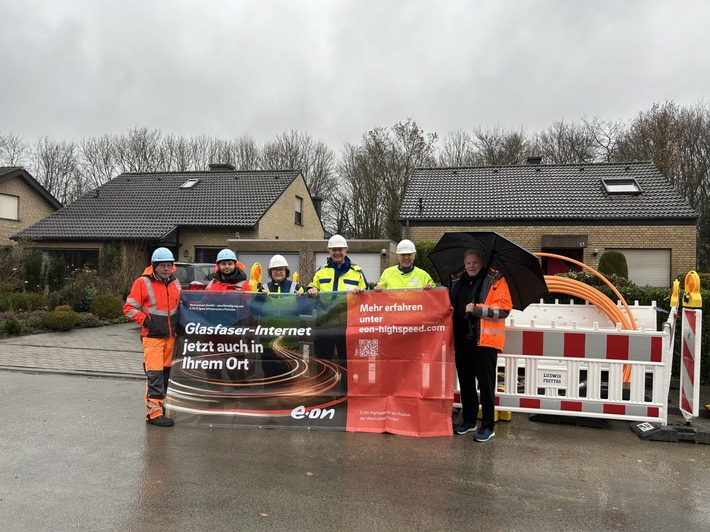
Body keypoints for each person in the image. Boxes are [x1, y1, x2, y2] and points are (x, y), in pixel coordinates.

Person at [449, 249, 512, 442]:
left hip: (484, 342)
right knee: (466, 383)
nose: (471, 266)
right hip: (462, 340)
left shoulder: (495, 279)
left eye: (475, 262)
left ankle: (487, 426)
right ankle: (468, 421)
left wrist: (477, 309)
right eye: (468, 262)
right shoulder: (457, 280)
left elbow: (503, 309)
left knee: (485, 385)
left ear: (481, 262)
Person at [124, 247, 182, 427]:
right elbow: (129, 308)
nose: (166, 269)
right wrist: (147, 321)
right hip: (153, 338)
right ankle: (154, 413)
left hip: (171, 337)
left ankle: (160, 407)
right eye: (163, 265)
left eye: (169, 265)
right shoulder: (142, 283)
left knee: (165, 375)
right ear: (154, 266)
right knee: (155, 375)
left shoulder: (175, 282)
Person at [306, 235, 367, 361]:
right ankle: (325, 381)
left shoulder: (357, 272)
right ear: (329, 251)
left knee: (347, 360)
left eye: (340, 249)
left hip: (346, 324)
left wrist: (361, 292)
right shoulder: (321, 271)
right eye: (334, 250)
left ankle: (346, 382)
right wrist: (311, 289)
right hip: (323, 323)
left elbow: (367, 295)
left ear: (346, 250)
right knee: (323, 361)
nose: (337, 253)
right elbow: (312, 285)